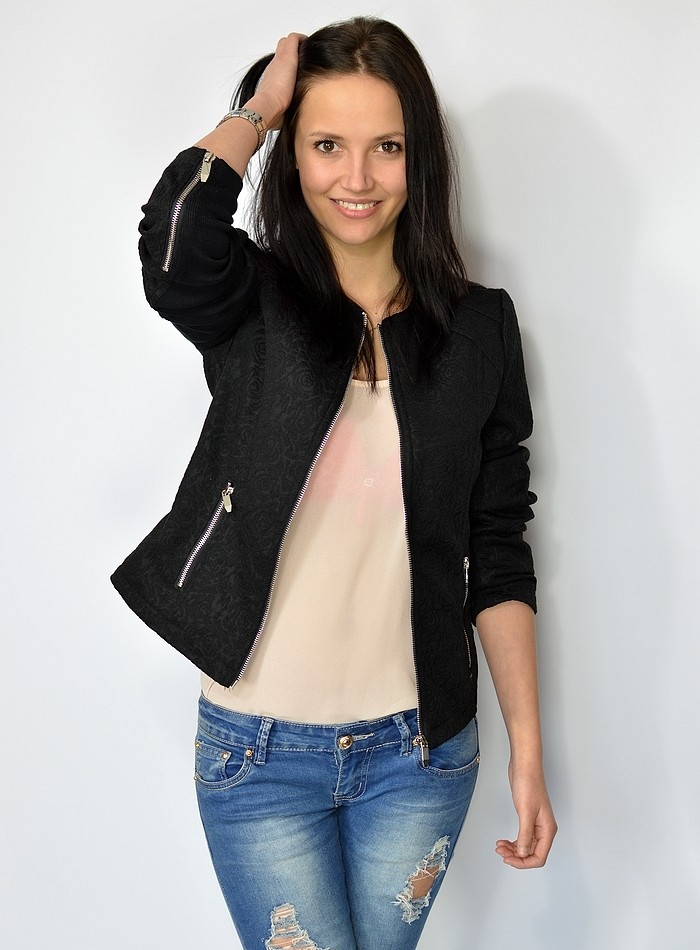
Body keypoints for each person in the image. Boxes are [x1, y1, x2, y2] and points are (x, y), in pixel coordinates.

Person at [112, 16, 556, 950]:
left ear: (419, 157)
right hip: (258, 754)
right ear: (294, 154)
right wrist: (259, 111)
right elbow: (173, 242)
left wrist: (528, 748)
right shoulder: (248, 300)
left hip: (421, 755)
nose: (357, 177)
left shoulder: (479, 330)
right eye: (326, 145)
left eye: (386, 146)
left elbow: (498, 548)